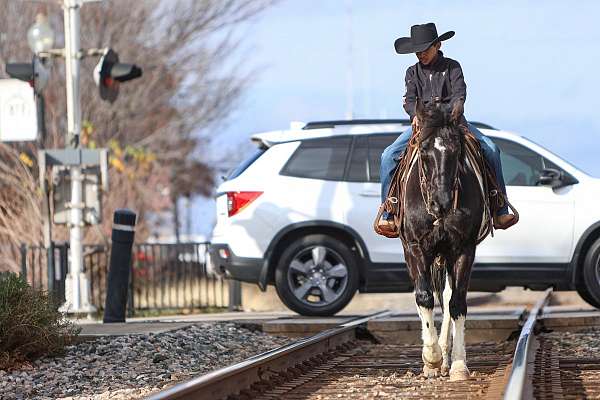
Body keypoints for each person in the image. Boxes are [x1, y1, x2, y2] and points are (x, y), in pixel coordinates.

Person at [379, 23, 518, 231]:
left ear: (438, 45)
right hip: (424, 125)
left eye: (425, 50)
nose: (421, 55)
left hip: (453, 123)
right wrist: (414, 115)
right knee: (388, 156)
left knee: (491, 149)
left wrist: (456, 109)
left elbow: (459, 94)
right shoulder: (412, 72)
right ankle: (389, 211)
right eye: (417, 51)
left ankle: (499, 206)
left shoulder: (453, 67)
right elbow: (409, 99)